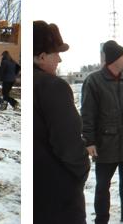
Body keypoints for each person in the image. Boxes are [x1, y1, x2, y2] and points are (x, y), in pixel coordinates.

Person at [82, 40, 123, 224]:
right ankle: (101, 220)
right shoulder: (94, 81)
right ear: (114, 59)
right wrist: (89, 141)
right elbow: (87, 114)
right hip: (105, 144)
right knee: (103, 186)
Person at [34, 21, 90, 224]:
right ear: (41, 57)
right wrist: (81, 171)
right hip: (58, 196)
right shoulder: (52, 86)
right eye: (55, 53)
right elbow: (69, 143)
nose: (59, 59)